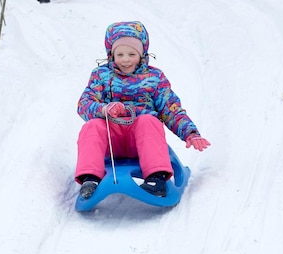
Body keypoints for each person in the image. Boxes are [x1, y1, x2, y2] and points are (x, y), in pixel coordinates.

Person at [75, 21, 210, 199]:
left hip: (142, 143)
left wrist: (191, 133)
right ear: (111, 54)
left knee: (148, 121)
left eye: (132, 54)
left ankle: (156, 177)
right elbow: (84, 104)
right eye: (120, 54)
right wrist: (104, 108)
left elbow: (171, 109)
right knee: (92, 126)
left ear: (142, 54)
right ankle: (90, 179)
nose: (125, 59)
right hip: (110, 140)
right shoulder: (101, 75)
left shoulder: (154, 78)